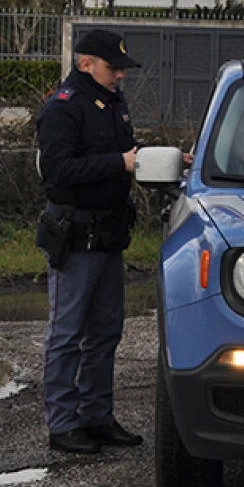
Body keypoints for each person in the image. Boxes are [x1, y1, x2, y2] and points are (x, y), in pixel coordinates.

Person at [35, 29, 146, 455]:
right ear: (86, 64)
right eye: (112, 67)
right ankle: (63, 423)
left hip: (109, 234)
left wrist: (152, 158)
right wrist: (121, 162)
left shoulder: (112, 102)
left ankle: (97, 416)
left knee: (105, 333)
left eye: (120, 68)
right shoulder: (63, 109)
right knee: (66, 334)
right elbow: (59, 171)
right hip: (76, 235)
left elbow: (124, 153)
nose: (119, 74)